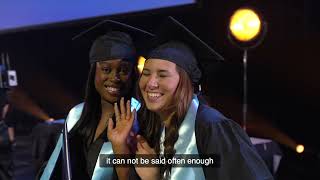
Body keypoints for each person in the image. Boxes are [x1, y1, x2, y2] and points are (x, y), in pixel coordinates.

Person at [132, 16, 273, 180]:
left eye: (162, 75)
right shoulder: (161, 128)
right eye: (146, 73)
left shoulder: (212, 127)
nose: (151, 83)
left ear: (187, 82)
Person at [39, 20, 154, 180]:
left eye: (124, 70)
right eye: (106, 69)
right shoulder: (77, 116)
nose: (115, 77)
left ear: (133, 74)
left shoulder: (142, 120)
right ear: (94, 72)